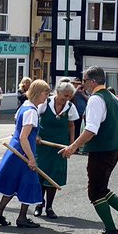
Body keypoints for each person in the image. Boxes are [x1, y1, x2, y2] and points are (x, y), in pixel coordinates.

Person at [60, 66, 118, 234]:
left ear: (93, 81)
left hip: (100, 152)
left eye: (84, 81)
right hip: (112, 151)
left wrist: (72, 147)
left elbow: (91, 129)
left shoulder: (95, 100)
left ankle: (111, 231)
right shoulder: (114, 98)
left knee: (95, 192)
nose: (82, 85)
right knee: (102, 188)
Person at [0, 79, 52, 228]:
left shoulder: (24, 106)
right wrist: (31, 159)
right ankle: (22, 217)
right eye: (45, 94)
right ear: (38, 93)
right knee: (28, 182)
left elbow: (21, 129)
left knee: (14, 182)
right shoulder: (32, 111)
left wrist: (35, 136)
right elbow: (23, 136)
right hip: (23, 150)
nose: (46, 97)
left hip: (16, 149)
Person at [33, 80, 78, 219]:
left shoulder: (70, 107)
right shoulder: (45, 103)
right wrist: (36, 135)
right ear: (57, 92)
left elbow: (71, 126)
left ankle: (50, 207)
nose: (67, 98)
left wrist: (72, 144)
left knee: (54, 176)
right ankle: (39, 204)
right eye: (65, 95)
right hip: (43, 145)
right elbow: (34, 118)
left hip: (60, 147)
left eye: (69, 96)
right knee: (40, 175)